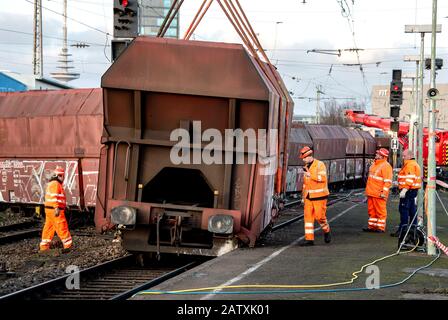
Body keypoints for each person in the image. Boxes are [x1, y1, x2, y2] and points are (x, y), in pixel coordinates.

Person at [299, 146, 331, 246]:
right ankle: (309, 239)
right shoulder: (306, 167)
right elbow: (305, 184)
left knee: (320, 217)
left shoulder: (320, 165)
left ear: (309, 156)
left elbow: (322, 178)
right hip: (308, 197)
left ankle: (327, 231)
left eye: (304, 158)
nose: (303, 160)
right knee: (308, 218)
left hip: (319, 196)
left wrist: (310, 175)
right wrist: (303, 197)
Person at [39, 166, 72, 253]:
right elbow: (54, 197)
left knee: (49, 228)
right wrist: (57, 207)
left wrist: (63, 205)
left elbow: (56, 197)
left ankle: (44, 247)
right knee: (62, 227)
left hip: (49, 210)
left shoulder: (52, 183)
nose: (63, 178)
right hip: (55, 210)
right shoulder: (56, 184)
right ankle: (68, 246)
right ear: (59, 176)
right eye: (62, 176)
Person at [391, 149, 422, 237]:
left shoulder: (410, 165)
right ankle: (413, 229)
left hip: (408, 191)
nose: (403, 157)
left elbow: (409, 178)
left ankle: (402, 231)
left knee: (403, 210)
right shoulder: (413, 164)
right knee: (412, 210)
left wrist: (404, 189)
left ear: (409, 156)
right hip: (412, 190)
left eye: (404, 156)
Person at [363, 148, 393, 233]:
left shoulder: (386, 166)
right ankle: (372, 226)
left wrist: (384, 193)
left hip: (379, 194)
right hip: (371, 193)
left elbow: (387, 182)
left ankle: (380, 228)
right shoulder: (374, 165)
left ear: (382, 156)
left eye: (378, 154)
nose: (376, 154)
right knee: (371, 211)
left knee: (380, 211)